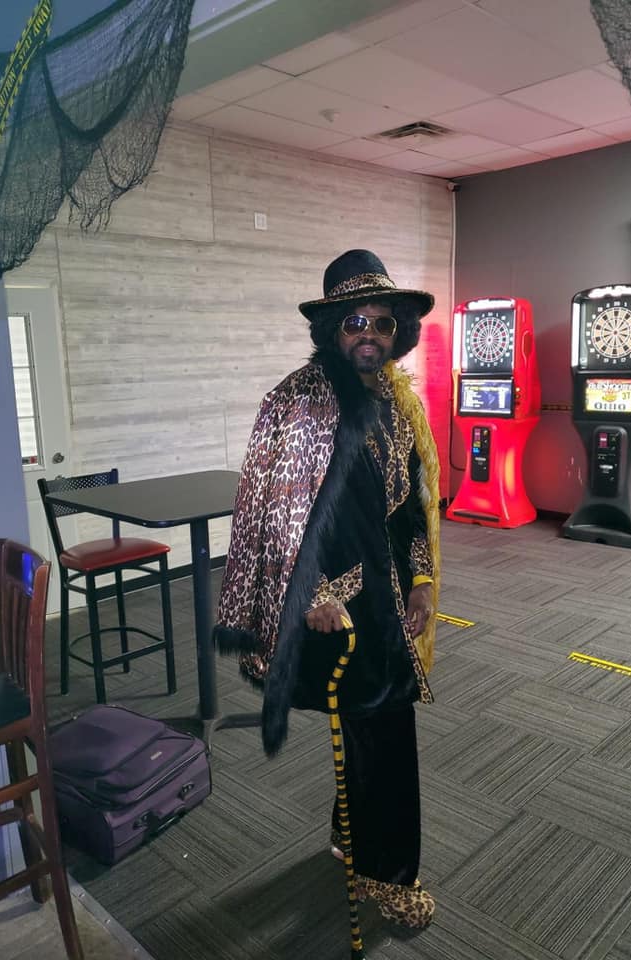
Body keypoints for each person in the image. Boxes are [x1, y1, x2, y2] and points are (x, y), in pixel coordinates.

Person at [214, 249, 441, 929]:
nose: (368, 334)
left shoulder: (396, 402)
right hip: (334, 604)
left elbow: (411, 503)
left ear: (398, 329)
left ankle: (351, 835)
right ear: (331, 330)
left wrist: (422, 577)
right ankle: (388, 876)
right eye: (354, 322)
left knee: (372, 726)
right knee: (383, 732)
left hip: (388, 597)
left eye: (380, 321)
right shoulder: (299, 401)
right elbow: (276, 513)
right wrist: (312, 593)